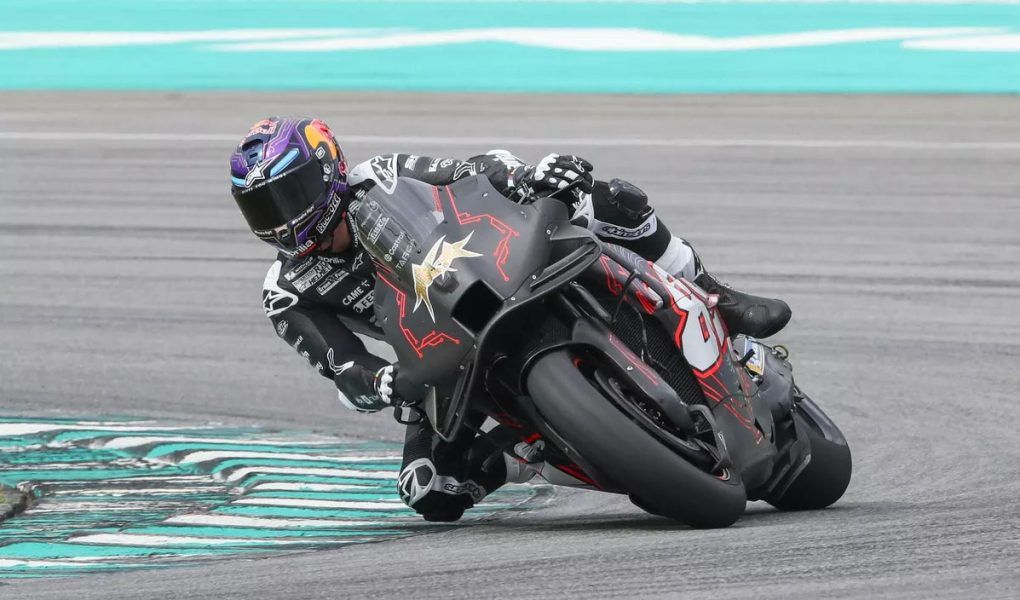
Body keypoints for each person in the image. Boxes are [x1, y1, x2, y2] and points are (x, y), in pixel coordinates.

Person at [229, 117, 791, 521]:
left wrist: (528, 177)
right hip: (438, 356)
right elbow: (340, 362)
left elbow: (468, 173)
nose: (283, 218)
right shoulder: (286, 291)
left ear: (326, 168)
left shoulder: (381, 175)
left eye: (290, 194)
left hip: (499, 264)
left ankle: (711, 292)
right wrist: (377, 382)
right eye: (264, 207)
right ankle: (536, 452)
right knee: (431, 492)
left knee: (607, 197)